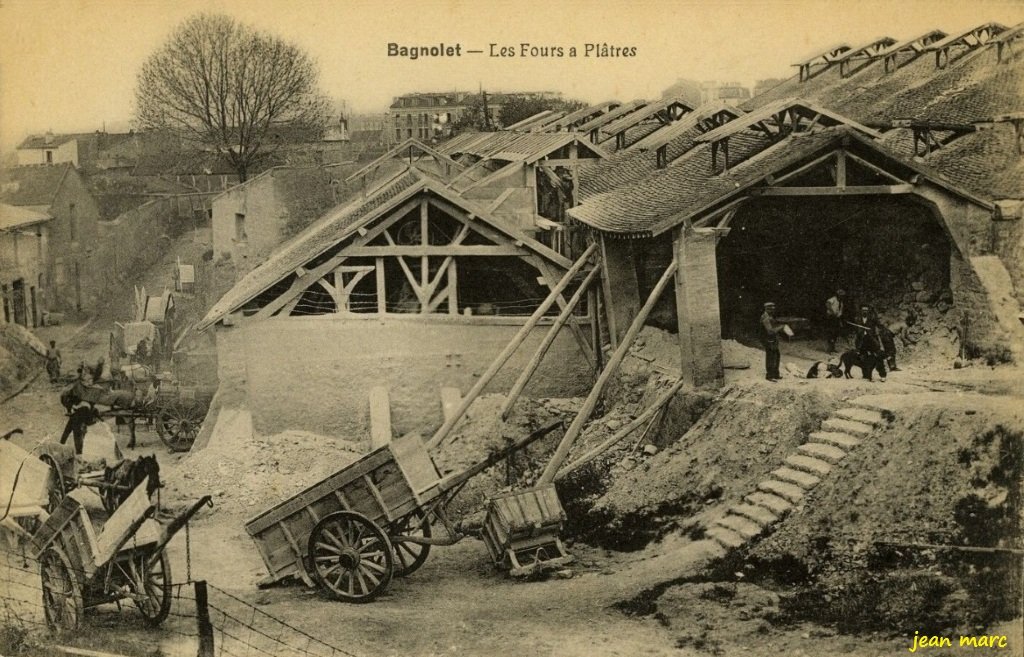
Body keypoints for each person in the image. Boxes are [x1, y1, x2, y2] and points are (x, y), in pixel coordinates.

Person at [853, 305, 887, 382]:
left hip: (872, 340)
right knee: (863, 357)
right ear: (861, 311)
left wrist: (881, 331)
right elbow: (856, 331)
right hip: (862, 341)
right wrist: (860, 332)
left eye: (866, 310)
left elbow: (880, 326)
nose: (864, 311)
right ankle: (866, 375)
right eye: (863, 310)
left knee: (878, 356)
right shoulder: (857, 319)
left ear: (868, 311)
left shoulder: (872, 318)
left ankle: (882, 374)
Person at [760, 302, 786, 381]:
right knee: (771, 356)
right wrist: (780, 327)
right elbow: (770, 331)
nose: (773, 310)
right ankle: (770, 376)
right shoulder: (765, 318)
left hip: (772, 339)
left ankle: (775, 374)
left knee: (776, 355)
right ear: (767, 309)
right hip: (768, 339)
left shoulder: (769, 316)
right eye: (771, 309)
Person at [824, 289, 845, 353]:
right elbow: (827, 304)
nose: (842, 296)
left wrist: (839, 320)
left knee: (835, 333)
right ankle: (828, 349)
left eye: (842, 295)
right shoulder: (833, 299)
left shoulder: (841, 303)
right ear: (838, 295)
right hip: (831, 318)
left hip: (836, 319)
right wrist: (832, 312)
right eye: (840, 295)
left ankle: (833, 348)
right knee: (830, 332)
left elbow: (840, 312)